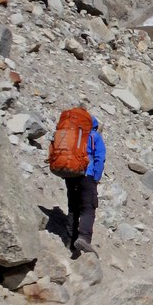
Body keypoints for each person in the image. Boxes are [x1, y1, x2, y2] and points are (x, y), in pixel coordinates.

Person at [48, 107, 105, 257]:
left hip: (70, 174)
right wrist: (96, 178)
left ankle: (70, 241)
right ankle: (84, 238)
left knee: (73, 206)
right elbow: (100, 158)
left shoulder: (69, 135)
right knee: (88, 207)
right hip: (87, 175)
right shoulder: (94, 136)